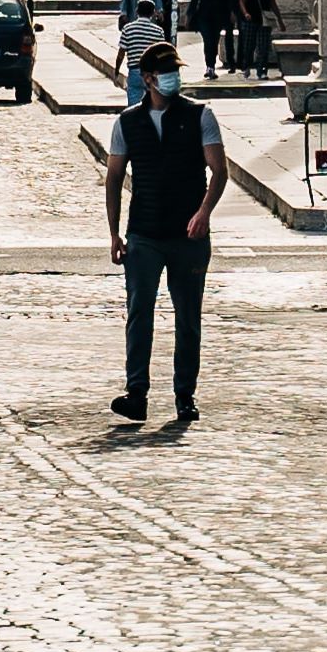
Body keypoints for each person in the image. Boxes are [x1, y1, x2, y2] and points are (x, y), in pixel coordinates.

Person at [105, 40, 228, 425]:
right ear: (148, 79)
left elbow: (219, 171)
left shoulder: (199, 116)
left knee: (188, 316)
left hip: (188, 236)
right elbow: (113, 178)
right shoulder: (127, 122)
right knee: (139, 312)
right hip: (143, 232)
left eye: (175, 71)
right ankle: (136, 393)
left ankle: (184, 396)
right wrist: (114, 233)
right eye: (165, 72)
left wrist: (204, 212)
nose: (172, 78)